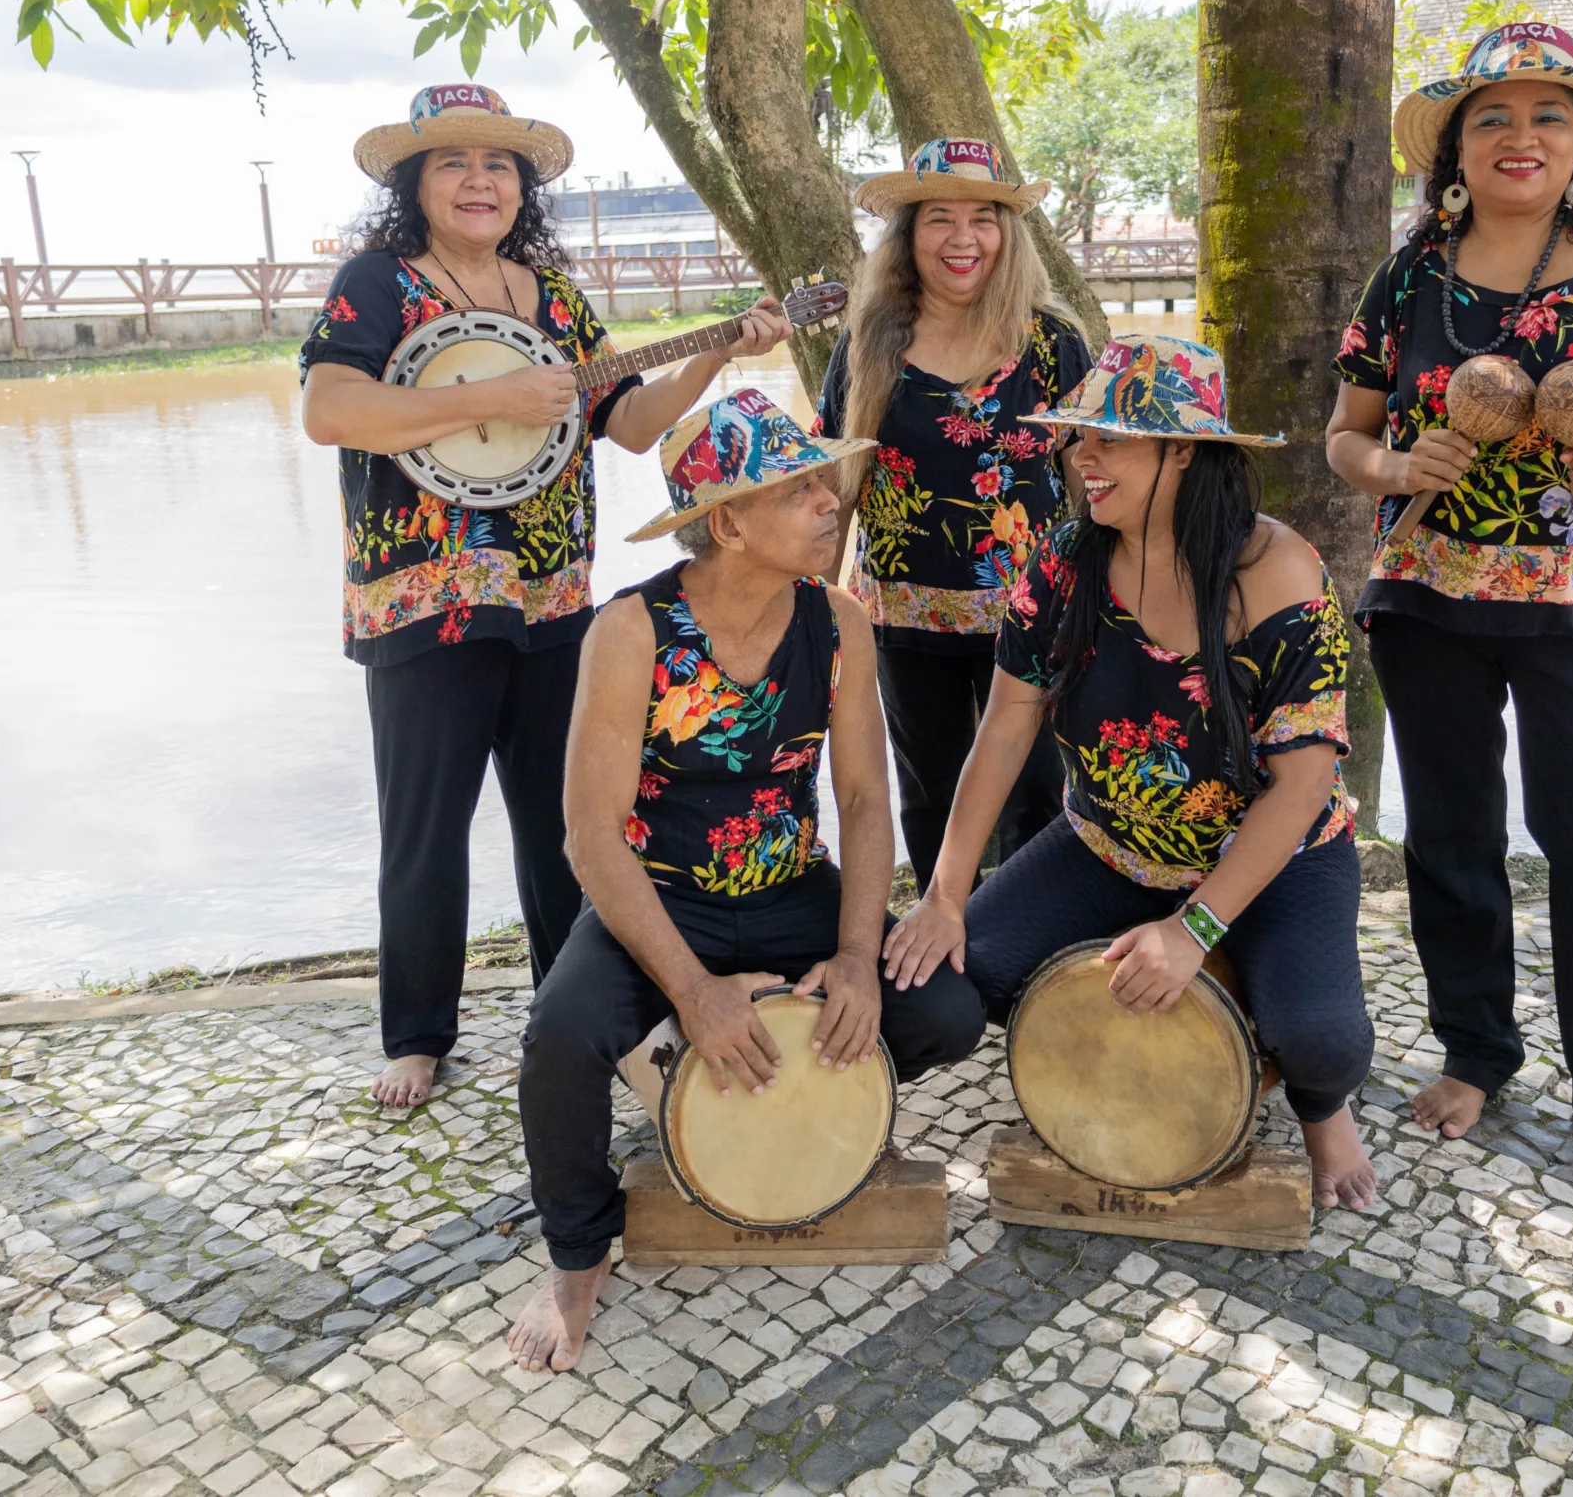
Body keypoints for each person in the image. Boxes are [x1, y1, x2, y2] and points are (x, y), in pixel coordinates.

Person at [300, 83, 789, 1110]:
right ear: (415, 184)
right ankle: (419, 1033)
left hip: (552, 600)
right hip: (418, 602)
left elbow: (631, 423)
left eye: (500, 166)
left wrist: (713, 351)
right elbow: (330, 410)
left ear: (524, 189)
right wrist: (494, 399)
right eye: (453, 163)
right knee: (424, 827)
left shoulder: (557, 301)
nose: (480, 181)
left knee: (569, 825)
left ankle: (575, 1018)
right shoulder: (378, 285)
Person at [509, 389, 987, 1371]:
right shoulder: (631, 633)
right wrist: (691, 993)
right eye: (799, 488)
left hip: (785, 889)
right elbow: (590, 838)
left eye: (824, 482)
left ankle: (829, 1101)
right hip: (661, 898)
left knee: (941, 1010)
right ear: (726, 521)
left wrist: (855, 957)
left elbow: (860, 804)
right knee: (559, 1039)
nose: (828, 503)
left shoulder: (838, 621)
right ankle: (574, 1257)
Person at [1322, 21, 1573, 1182]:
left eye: (1548, 115)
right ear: (1454, 146)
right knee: (1451, 841)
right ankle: (1476, 1052)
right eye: (1492, 116)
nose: (1521, 136)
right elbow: (1346, 435)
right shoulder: (1409, 272)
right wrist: (1393, 469)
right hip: (1427, 598)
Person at [889, 335, 1379, 1211]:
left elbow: (1302, 787)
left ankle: (1319, 1107)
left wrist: (1193, 929)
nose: (1083, 459)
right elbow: (1003, 728)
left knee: (1323, 1039)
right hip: (1106, 843)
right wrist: (946, 893)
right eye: (1080, 438)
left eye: (1108, 439)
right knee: (943, 994)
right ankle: (1146, 1015)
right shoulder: (1063, 561)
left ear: (1183, 449)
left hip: (1278, 858)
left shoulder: (1280, 574)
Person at [813, 138, 1091, 887]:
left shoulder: (1051, 344)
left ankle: (1030, 960)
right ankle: (942, 960)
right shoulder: (868, 345)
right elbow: (832, 488)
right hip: (905, 622)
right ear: (908, 235)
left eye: (984, 217)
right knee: (931, 796)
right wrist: (809, 605)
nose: (963, 239)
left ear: (1009, 233)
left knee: (1038, 798)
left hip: (1035, 619)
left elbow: (1097, 482)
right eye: (939, 218)